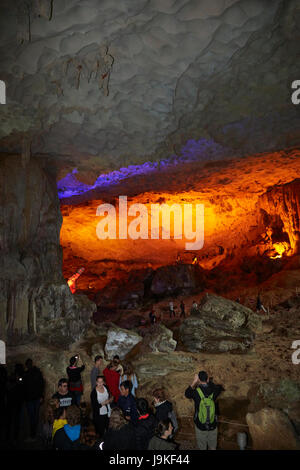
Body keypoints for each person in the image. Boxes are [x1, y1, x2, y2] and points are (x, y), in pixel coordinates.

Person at [185, 370, 223, 450]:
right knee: (213, 447)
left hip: (200, 424)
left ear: (199, 379)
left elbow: (187, 394)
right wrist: (209, 381)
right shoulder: (214, 390)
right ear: (207, 379)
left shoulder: (196, 392)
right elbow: (220, 387)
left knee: (202, 446)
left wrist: (194, 382)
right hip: (213, 424)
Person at [23, 358, 45, 441]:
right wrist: (41, 396)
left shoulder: (27, 374)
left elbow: (41, 384)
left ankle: (33, 435)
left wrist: (41, 396)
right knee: (34, 417)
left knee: (33, 417)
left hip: (32, 399)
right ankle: (34, 434)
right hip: (34, 398)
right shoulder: (37, 372)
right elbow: (42, 384)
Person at [5, 363, 25, 443]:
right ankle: (9, 436)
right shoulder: (12, 377)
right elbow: (8, 387)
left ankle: (14, 436)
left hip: (17, 401)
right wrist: (15, 382)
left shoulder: (21, 377)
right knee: (10, 419)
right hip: (12, 401)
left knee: (16, 420)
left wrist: (19, 381)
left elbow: (23, 387)